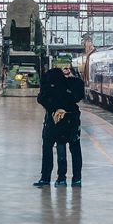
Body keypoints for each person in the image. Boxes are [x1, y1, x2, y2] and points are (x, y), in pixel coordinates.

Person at [33, 56, 84, 187]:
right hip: (70, 120)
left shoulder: (51, 81)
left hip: (55, 120)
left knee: (52, 147)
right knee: (72, 148)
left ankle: (51, 178)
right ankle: (74, 179)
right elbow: (77, 97)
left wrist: (55, 109)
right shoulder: (75, 83)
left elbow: (41, 98)